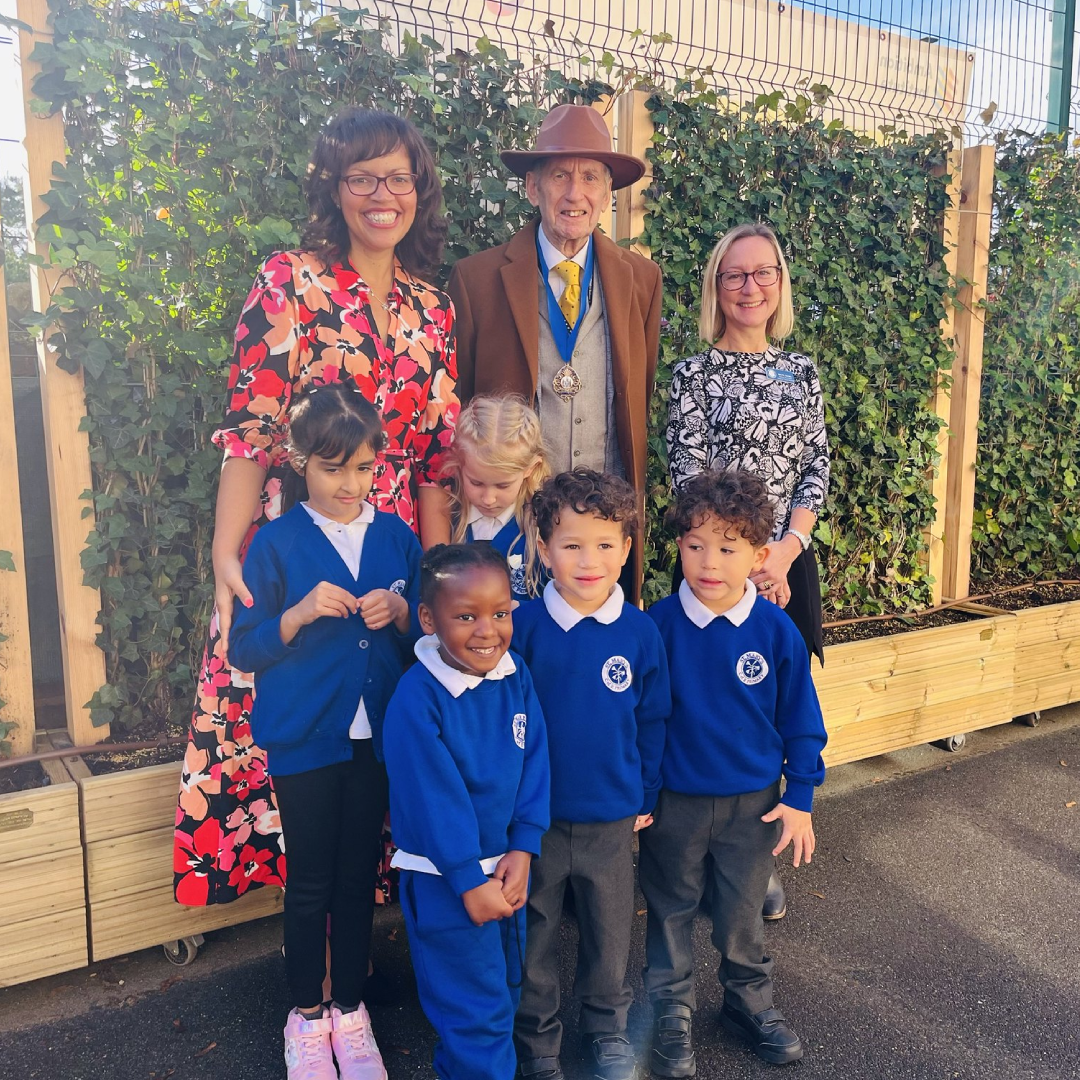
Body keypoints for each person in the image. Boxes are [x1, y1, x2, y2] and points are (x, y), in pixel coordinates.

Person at [173, 107, 458, 908]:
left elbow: (436, 462)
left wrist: (431, 580)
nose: (381, 193)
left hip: (391, 541)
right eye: (361, 176)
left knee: (386, 715)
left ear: (418, 191)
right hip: (297, 533)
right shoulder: (288, 280)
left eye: (397, 177)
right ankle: (310, 944)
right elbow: (250, 431)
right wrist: (229, 556)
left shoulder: (432, 308)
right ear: (334, 188)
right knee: (286, 705)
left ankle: (366, 919)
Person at [228, 384, 422, 1080]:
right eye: (333, 468)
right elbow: (244, 649)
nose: (350, 484)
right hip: (304, 740)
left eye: (365, 469)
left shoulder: (399, 538)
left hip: (376, 742)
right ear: (301, 462)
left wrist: (400, 609)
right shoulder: (276, 544)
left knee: (355, 878)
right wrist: (298, 614)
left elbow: (426, 633)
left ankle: (350, 1010)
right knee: (309, 880)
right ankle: (306, 1017)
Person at [665, 221, 829, 919]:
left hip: (784, 564)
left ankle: (754, 864)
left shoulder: (804, 372)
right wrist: (736, 563)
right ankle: (693, 853)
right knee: (705, 706)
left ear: (780, 284)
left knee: (770, 708)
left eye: (764, 273)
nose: (750, 286)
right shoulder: (691, 375)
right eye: (735, 274)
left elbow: (816, 469)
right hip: (713, 566)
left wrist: (782, 554)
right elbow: (686, 474)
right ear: (716, 287)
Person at [640, 469, 827, 1076]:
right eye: (695, 546)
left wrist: (800, 796)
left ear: (760, 554)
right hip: (674, 804)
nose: (709, 562)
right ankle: (671, 1011)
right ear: (679, 548)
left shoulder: (776, 631)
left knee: (743, 912)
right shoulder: (657, 628)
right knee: (669, 908)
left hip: (755, 806)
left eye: (727, 548)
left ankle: (748, 1003)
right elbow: (637, 720)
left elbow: (802, 720)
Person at [448, 104, 663, 599]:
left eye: (591, 177)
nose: (575, 193)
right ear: (532, 187)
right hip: (510, 529)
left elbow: (638, 393)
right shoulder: (476, 280)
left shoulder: (642, 281)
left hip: (600, 535)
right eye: (560, 176)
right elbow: (457, 408)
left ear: (608, 193)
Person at [512, 469, 671, 1080]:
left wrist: (645, 790)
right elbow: (506, 723)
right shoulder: (521, 629)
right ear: (544, 549)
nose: (589, 560)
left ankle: (607, 1028)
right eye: (572, 544)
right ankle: (538, 1040)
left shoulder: (639, 632)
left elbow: (652, 719)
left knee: (609, 933)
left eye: (606, 544)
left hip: (612, 815)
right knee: (536, 931)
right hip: (537, 819)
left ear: (627, 549)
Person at [382, 544, 551, 1080]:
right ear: (429, 620)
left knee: (503, 994)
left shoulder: (515, 674)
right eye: (466, 616)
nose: (487, 631)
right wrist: (465, 878)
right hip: (448, 884)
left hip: (506, 871)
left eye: (500, 613)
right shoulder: (417, 697)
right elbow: (432, 798)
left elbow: (534, 761)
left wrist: (525, 846)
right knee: (473, 1013)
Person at [442, 394, 551, 601]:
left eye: (502, 485)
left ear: (530, 468)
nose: (488, 499)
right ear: (458, 464)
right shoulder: (447, 520)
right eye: (476, 483)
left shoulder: (541, 527)